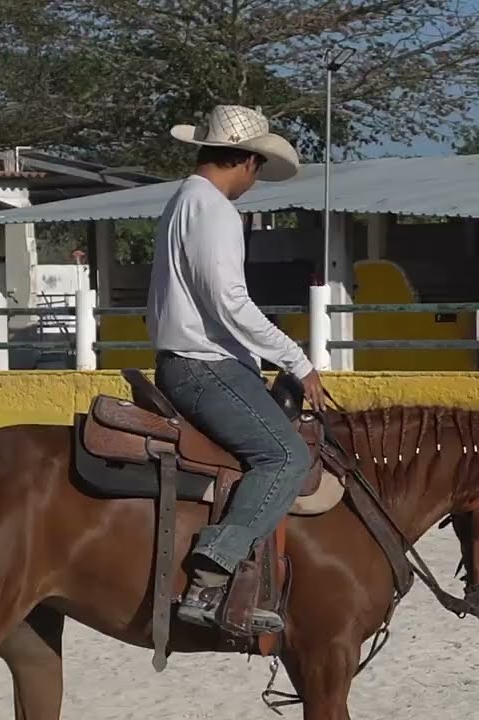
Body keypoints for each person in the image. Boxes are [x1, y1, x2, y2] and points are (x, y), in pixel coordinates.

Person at [147, 104, 326, 634]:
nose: (254, 181)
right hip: (204, 367)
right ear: (246, 161)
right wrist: (298, 360)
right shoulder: (216, 210)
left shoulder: (181, 202)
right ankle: (213, 571)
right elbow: (229, 302)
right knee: (286, 456)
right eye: (257, 170)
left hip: (189, 359)